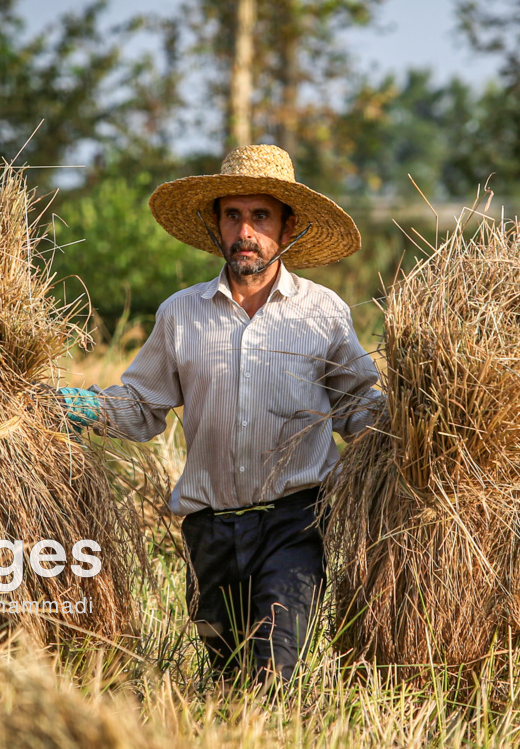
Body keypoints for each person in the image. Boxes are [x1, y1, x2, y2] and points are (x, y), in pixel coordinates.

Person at [58, 144, 383, 685]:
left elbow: (358, 407)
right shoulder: (180, 314)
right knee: (226, 677)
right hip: (208, 532)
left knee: (272, 671)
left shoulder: (323, 312)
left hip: (295, 523)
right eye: (233, 216)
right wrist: (82, 407)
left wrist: (417, 422)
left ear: (288, 226)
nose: (245, 232)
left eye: (260, 217)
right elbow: (142, 407)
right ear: (216, 225)